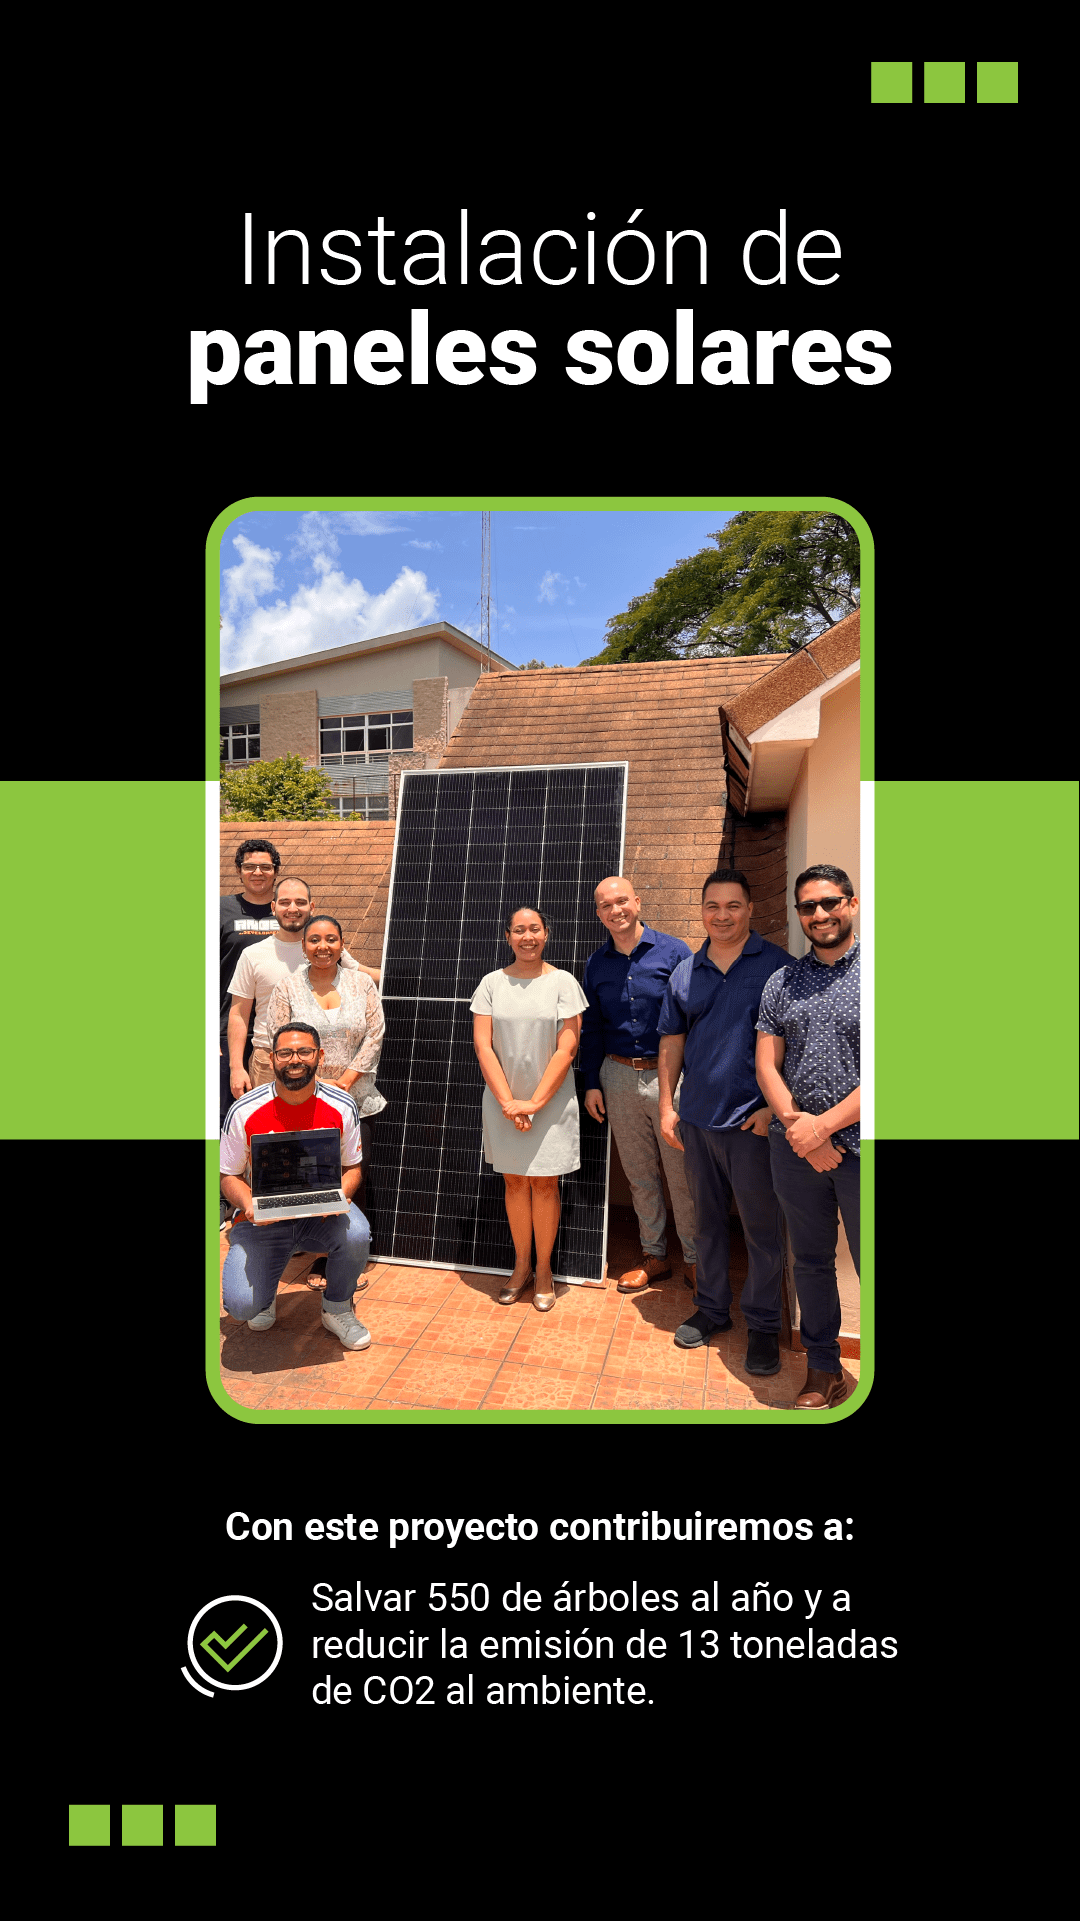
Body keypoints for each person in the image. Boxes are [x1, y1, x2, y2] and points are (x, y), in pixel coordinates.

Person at [657, 870, 790, 1369]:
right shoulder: (686, 973)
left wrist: (769, 1109)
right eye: (713, 906)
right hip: (697, 1122)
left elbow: (794, 1048)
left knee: (762, 1230)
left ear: (751, 908)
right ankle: (711, 1309)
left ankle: (762, 1325)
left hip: (752, 1128)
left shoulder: (778, 968)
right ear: (702, 910)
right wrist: (669, 1105)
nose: (722, 915)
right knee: (707, 1225)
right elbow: (671, 1041)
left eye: (733, 905)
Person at [755, 864, 861, 1410]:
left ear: (852, 904)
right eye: (807, 906)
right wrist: (803, 1130)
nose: (818, 914)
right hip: (796, 1149)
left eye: (829, 902)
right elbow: (767, 1065)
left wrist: (825, 1126)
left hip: (864, 1149)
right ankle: (823, 1369)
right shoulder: (783, 981)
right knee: (812, 1262)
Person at [220, 1021, 372, 1350]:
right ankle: (264, 1290)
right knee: (242, 1307)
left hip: (322, 1215)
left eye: (304, 1051)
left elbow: (353, 1168)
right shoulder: (244, 1110)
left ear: (319, 1055)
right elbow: (227, 1176)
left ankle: (337, 1308)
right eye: (285, 1052)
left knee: (357, 1233)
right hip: (262, 1218)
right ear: (272, 1058)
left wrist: (339, 1197)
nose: (295, 1060)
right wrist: (249, 1205)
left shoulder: (342, 1106)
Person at [580, 877, 697, 1293]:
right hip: (617, 1076)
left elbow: (694, 1017)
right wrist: (592, 1081)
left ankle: (696, 1259)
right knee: (639, 1173)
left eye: (622, 901)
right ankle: (655, 1255)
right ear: (599, 914)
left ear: (637, 902)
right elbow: (591, 1027)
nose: (616, 910)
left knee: (683, 1173)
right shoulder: (596, 964)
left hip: (671, 1079)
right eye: (606, 905)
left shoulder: (675, 952)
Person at [471, 907, 588, 1313]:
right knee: (515, 1184)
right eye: (518, 930)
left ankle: (543, 1270)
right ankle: (520, 1266)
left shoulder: (563, 983)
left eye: (534, 929)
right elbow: (484, 1046)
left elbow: (567, 1047)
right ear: (507, 937)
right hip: (504, 1102)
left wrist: (535, 1102)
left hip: (551, 1103)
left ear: (546, 934)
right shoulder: (490, 984)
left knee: (544, 1185)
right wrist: (508, 1102)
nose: (527, 937)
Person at [266, 914, 386, 1282]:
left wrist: (346, 1082)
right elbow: (280, 1038)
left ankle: (351, 1255)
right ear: (303, 946)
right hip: (304, 1099)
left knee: (352, 1176)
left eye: (331, 939)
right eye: (314, 940)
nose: (323, 947)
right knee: (314, 1178)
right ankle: (318, 1251)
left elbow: (375, 1034)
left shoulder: (362, 983)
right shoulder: (287, 988)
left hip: (357, 1100)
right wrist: (315, 1085)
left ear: (341, 944)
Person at [225, 875, 362, 1103]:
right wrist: (236, 1068)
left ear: (312, 906)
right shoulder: (253, 955)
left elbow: (364, 975)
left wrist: (408, 973)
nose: (292, 908)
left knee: (322, 1135)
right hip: (269, 1063)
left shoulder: (328, 951)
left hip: (321, 1060)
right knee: (271, 1135)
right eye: (285, 902)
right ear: (273, 906)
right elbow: (238, 1014)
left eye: (300, 902)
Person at [219, 838, 281, 1126]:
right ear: (239, 870)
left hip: (274, 1036)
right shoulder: (218, 910)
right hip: (225, 1029)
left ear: (275, 871)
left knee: (268, 1119)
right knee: (226, 1116)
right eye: (250, 866)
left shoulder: (288, 911)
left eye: (265, 867)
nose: (258, 872)